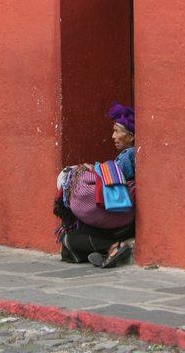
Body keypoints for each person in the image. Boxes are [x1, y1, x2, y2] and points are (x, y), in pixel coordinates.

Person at [54, 103, 136, 268]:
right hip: (123, 222)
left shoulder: (129, 155)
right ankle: (110, 248)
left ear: (131, 136)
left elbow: (111, 177)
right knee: (71, 242)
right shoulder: (131, 155)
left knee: (70, 240)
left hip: (119, 218)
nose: (113, 136)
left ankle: (111, 247)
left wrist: (91, 169)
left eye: (116, 131)